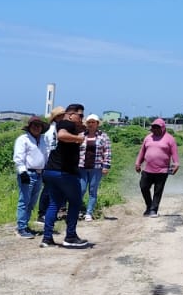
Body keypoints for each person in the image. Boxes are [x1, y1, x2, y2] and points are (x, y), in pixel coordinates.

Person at [40, 104, 90, 249]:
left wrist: (81, 129)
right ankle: (70, 236)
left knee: (54, 203)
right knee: (75, 202)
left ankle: (47, 238)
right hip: (64, 172)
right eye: (80, 115)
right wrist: (78, 139)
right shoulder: (66, 123)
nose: (82, 118)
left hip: (51, 171)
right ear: (70, 114)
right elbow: (62, 135)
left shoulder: (63, 125)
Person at [135, 118, 179, 217]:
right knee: (143, 186)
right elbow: (142, 152)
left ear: (162, 128)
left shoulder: (170, 139)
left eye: (157, 127)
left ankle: (153, 210)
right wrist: (138, 163)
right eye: (153, 127)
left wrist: (176, 164)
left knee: (158, 191)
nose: (155, 129)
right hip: (148, 169)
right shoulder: (148, 138)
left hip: (162, 170)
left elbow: (174, 153)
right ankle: (149, 206)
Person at [12, 116, 48, 237]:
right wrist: (22, 172)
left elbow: (46, 156)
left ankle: (25, 225)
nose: (37, 128)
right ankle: (21, 227)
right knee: (24, 201)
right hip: (28, 172)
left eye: (39, 126)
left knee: (32, 202)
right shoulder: (23, 139)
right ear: (29, 127)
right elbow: (18, 157)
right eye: (34, 125)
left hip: (40, 173)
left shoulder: (43, 140)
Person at [78, 114, 112, 221]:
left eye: (93, 122)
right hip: (82, 167)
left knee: (93, 190)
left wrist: (106, 166)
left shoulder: (103, 136)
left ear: (97, 124)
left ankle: (89, 212)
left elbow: (107, 152)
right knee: (81, 189)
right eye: (89, 122)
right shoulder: (81, 135)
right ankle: (78, 210)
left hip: (96, 167)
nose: (91, 124)